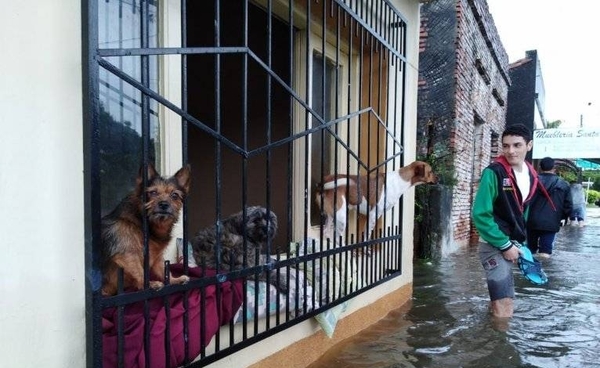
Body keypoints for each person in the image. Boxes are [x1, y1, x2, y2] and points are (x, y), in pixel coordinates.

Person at [472, 124, 545, 318]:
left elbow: (522, 211)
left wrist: (520, 244)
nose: (510, 151)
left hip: (512, 245)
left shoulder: (531, 174)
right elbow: (480, 214)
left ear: (529, 145)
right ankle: (500, 346)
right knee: (505, 306)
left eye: (517, 145)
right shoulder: (493, 172)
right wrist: (505, 245)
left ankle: (487, 334)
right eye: (506, 146)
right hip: (493, 244)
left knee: (498, 302)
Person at [526, 157, 572, 259]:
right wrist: (562, 218)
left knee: (530, 250)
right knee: (545, 252)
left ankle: (528, 271)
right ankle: (545, 270)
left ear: (539, 167)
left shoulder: (530, 182)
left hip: (531, 220)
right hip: (552, 222)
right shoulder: (563, 184)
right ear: (554, 168)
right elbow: (568, 205)